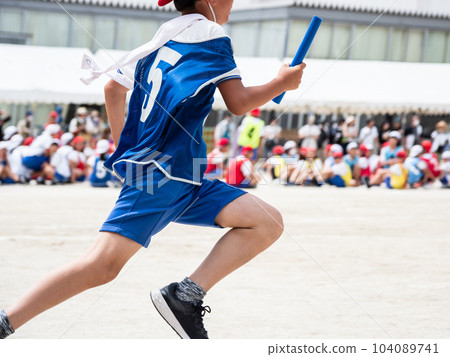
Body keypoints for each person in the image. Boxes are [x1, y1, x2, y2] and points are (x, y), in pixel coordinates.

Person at [0, 0, 306, 340]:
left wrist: (127, 154)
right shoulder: (210, 33)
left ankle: (185, 297)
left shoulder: (162, 38)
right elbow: (238, 103)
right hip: (164, 175)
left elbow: (113, 89)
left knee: (267, 219)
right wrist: (283, 82)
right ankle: (5, 321)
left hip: (182, 178)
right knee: (102, 265)